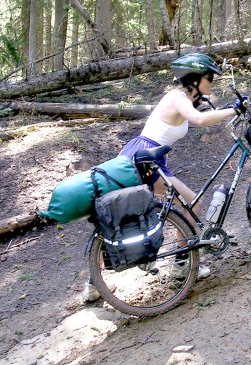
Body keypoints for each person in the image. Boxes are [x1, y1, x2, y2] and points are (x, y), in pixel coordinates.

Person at [83, 53, 240, 302]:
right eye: (209, 77)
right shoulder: (177, 97)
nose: (212, 82)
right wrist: (233, 110)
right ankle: (176, 265)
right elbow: (199, 120)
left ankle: (180, 263)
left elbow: (196, 113)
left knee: (185, 204)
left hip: (151, 158)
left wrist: (213, 105)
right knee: (142, 211)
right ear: (196, 78)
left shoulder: (185, 98)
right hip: (144, 159)